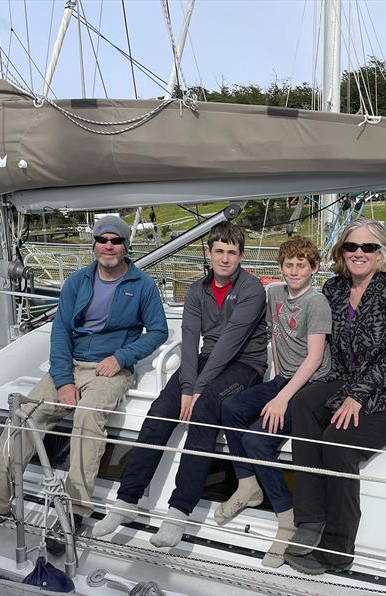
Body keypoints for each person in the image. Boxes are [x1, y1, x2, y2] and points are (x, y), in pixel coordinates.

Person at [0, 215, 168, 554]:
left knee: (88, 416)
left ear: (126, 246)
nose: (108, 246)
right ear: (95, 244)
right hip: (70, 363)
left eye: (116, 241)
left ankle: (74, 508)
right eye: (102, 240)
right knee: (23, 415)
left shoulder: (142, 285)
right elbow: (60, 332)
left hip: (109, 368)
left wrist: (122, 357)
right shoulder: (77, 281)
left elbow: (158, 330)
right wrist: (64, 380)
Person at [92, 221, 267, 548]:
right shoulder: (198, 290)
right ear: (209, 252)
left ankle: (178, 513)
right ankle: (126, 501)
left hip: (245, 365)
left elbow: (230, 343)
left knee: (204, 409)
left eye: (232, 252)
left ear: (241, 256)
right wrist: (187, 386)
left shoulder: (252, 289)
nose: (225, 259)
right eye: (219, 251)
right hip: (206, 360)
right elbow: (190, 341)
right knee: (160, 410)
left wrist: (197, 390)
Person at [283, 218, 386, 575]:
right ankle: (310, 520)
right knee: (305, 403)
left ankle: (337, 551)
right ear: (341, 251)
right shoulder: (334, 289)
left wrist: (356, 395)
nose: (359, 253)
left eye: (367, 247)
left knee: (339, 441)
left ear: (381, 252)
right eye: (351, 246)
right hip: (355, 379)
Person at [216, 236, 332, 567]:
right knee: (231, 407)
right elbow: (274, 337)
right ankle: (247, 484)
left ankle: (286, 519)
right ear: (280, 267)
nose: (294, 270)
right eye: (289, 264)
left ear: (314, 268)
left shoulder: (316, 302)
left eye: (302, 265)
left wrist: (281, 398)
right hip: (282, 379)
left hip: (310, 386)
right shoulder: (275, 294)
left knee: (256, 439)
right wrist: (276, 383)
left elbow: (313, 359)